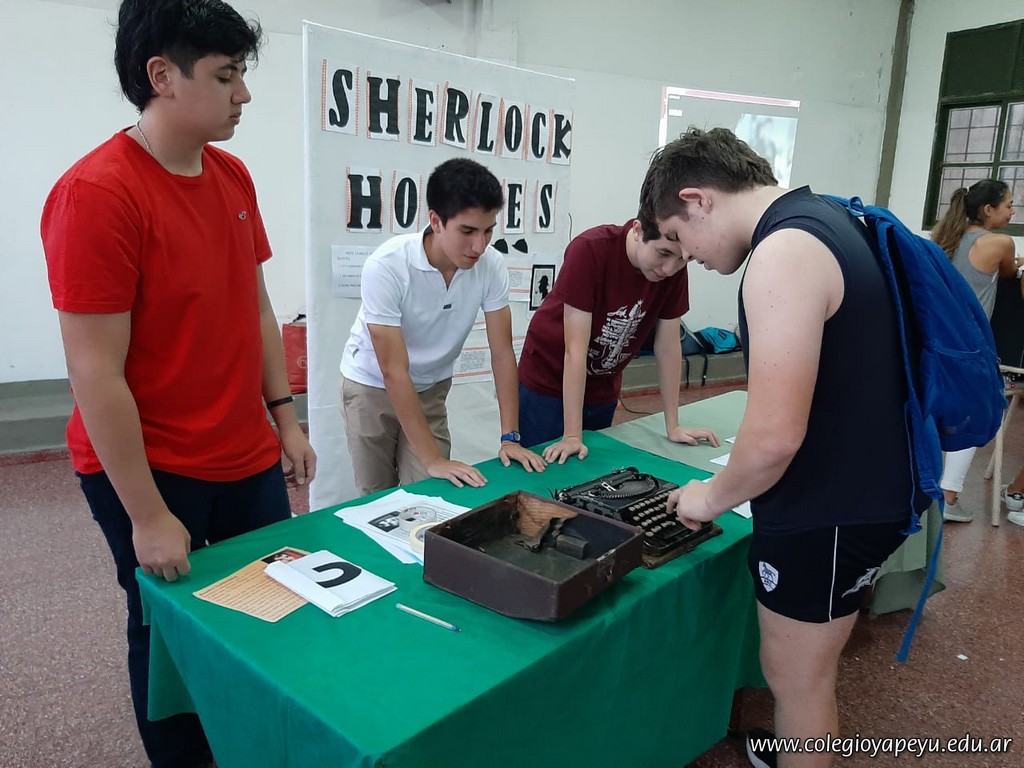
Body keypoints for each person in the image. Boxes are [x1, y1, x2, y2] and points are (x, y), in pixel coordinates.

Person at [39, 2, 316, 767]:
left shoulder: (232, 175)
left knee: (269, 605)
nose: (243, 95)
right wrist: (147, 514)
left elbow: (254, 306)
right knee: (167, 631)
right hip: (150, 466)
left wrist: (285, 418)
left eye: (241, 75)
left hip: (242, 453)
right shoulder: (98, 195)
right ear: (162, 76)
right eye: (226, 77)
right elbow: (95, 372)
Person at [638, 127, 928, 768]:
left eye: (681, 238)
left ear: (698, 199)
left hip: (831, 508)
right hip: (866, 487)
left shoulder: (783, 252)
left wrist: (708, 498)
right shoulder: (826, 218)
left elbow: (773, 438)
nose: (688, 257)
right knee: (801, 671)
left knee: (798, 680)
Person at [340, 158, 545, 496]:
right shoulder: (387, 266)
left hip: (430, 388)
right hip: (371, 387)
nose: (479, 245)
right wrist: (433, 459)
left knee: (432, 494)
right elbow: (393, 371)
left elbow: (502, 353)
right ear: (435, 221)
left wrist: (510, 437)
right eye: (467, 231)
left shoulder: (491, 266)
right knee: (377, 496)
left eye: (488, 230)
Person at [517, 219, 719, 461]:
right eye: (663, 254)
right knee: (544, 466)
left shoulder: (673, 269)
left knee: (590, 466)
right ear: (638, 230)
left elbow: (668, 347)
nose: (669, 269)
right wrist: (572, 435)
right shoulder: (590, 249)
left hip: (602, 385)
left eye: (683, 260)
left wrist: (673, 425)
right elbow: (575, 350)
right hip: (548, 381)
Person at [930, 180, 1022, 523]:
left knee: (933, 411)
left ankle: (924, 485)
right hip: (970, 344)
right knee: (972, 414)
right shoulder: (1000, 242)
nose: (1012, 211)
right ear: (988, 209)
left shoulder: (943, 238)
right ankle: (949, 496)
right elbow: (1010, 273)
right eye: (1008, 205)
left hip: (935, 338)